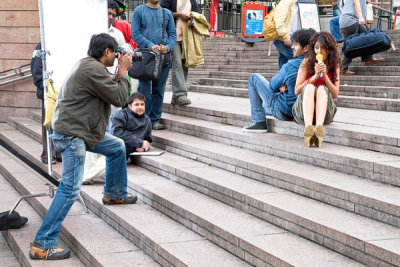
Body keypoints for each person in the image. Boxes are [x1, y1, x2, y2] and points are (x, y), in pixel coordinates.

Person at [29, 33, 137, 261]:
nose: (117, 56)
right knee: (70, 189)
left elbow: (109, 89)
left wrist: (118, 72)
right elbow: (119, 98)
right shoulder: (93, 70)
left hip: (80, 132)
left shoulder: (88, 65)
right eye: (115, 52)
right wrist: (125, 72)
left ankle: (114, 193)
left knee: (117, 146)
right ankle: (43, 242)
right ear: (106, 52)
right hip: (73, 136)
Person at [243, 29, 316, 133]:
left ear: (306, 48)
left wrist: (282, 85)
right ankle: (264, 109)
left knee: (253, 78)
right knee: (265, 106)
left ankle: (259, 122)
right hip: (306, 111)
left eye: (295, 44)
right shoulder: (319, 65)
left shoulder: (291, 65)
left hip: (285, 112)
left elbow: (272, 86)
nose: (292, 47)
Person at [131, 0, 177, 130]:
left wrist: (167, 47)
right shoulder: (139, 11)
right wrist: (150, 45)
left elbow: (173, 35)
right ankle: (143, 119)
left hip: (163, 57)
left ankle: (154, 120)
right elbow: (135, 34)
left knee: (159, 90)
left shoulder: (166, 13)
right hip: (145, 57)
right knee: (144, 90)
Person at [292, 32, 341, 148]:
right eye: (317, 47)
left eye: (323, 48)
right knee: (309, 86)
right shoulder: (307, 62)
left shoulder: (335, 64)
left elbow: (335, 94)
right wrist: (314, 77)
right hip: (303, 113)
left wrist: (324, 76)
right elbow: (297, 90)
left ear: (329, 49)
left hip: (325, 114)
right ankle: (308, 129)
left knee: (322, 89)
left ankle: (319, 129)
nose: (319, 51)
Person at [161, 0, 200, 106]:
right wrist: (178, 14)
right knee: (177, 63)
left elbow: (198, 14)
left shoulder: (192, 1)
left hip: (187, 38)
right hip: (173, 37)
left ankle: (175, 96)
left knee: (184, 65)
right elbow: (162, 12)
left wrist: (192, 20)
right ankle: (181, 94)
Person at [30, 43, 61, 165]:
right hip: (49, 91)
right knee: (49, 124)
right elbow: (36, 67)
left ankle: (59, 153)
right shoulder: (42, 43)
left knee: (61, 124)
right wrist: (44, 89)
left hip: (63, 91)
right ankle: (48, 154)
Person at [339, 0, 384, 75]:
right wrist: (360, 17)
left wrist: (341, 26)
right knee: (367, 36)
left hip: (345, 22)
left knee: (350, 45)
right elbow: (355, 2)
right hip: (352, 21)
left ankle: (344, 68)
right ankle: (367, 59)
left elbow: (346, 8)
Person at [110, 92, 152, 156]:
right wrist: (139, 143)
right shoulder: (121, 114)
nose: (140, 107)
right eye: (137, 104)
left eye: (142, 104)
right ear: (130, 106)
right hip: (116, 148)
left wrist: (144, 147)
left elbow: (148, 139)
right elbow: (116, 132)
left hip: (132, 149)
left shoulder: (147, 119)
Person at [273, 0, 299, 69]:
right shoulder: (287, 1)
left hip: (289, 38)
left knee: (283, 66)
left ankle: (280, 79)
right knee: (297, 62)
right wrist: (285, 36)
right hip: (284, 39)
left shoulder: (296, 4)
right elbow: (278, 21)